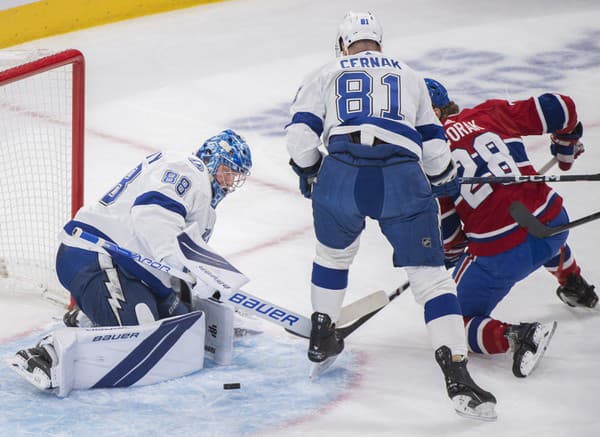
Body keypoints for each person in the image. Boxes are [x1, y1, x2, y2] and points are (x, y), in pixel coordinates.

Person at [285, 11, 496, 421]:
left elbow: (299, 138)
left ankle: (322, 333)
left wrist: (311, 171)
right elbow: (436, 151)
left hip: (342, 176)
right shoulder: (410, 75)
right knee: (432, 278)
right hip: (400, 180)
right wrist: (442, 177)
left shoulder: (325, 72)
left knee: (332, 257)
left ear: (343, 42)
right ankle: (457, 373)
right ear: (380, 42)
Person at [9, 129, 253, 395]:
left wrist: (212, 294)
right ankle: (48, 354)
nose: (229, 182)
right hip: (93, 253)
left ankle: (88, 317)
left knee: (178, 328)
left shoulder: (205, 209)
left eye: (235, 177)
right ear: (211, 159)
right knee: (142, 334)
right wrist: (182, 269)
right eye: (227, 172)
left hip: (124, 268)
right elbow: (152, 215)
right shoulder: (189, 169)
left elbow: (186, 259)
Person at [425, 77, 598, 378]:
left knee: (449, 320)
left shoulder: (429, 158)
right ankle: (573, 282)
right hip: (555, 225)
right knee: (533, 220)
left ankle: (517, 337)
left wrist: (448, 258)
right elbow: (562, 107)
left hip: (503, 254)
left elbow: (451, 240)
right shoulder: (491, 112)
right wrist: (566, 146)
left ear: (433, 113)